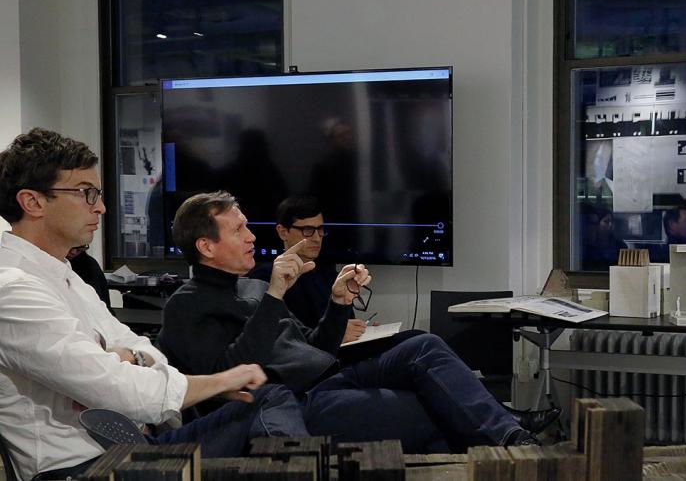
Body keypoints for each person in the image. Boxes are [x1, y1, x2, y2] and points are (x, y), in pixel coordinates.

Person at [0, 129, 309, 480]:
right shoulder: (12, 288)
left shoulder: (68, 277)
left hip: (132, 447)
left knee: (270, 400)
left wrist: (129, 357)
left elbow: (143, 351)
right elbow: (122, 392)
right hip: (82, 468)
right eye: (86, 193)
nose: (100, 206)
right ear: (33, 202)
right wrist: (220, 380)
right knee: (269, 407)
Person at [159, 191, 541, 453]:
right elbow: (227, 376)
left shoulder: (251, 289)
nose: (251, 236)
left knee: (423, 345)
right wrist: (275, 296)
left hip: (327, 380)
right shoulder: (186, 305)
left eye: (246, 226)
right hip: (286, 406)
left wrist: (339, 303)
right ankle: (507, 444)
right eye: (238, 229)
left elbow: (314, 349)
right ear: (206, 246)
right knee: (429, 408)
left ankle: (514, 439)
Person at [67, 244, 112, 311]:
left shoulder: (89, 264)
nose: (73, 252)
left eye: (80, 249)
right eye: (70, 247)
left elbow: (96, 300)